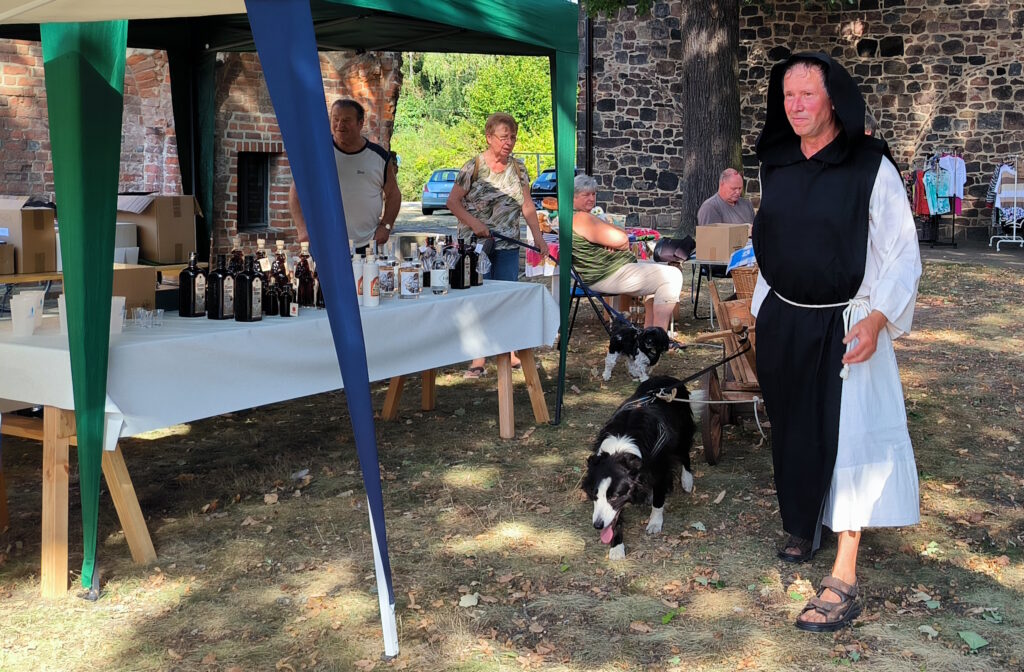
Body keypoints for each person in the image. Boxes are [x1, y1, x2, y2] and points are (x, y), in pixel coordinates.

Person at [750, 53, 922, 632]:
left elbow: (902, 254)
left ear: (833, 100)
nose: (796, 107)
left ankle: (843, 575)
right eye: (788, 96)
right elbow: (768, 244)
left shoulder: (869, 165)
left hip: (849, 320)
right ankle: (804, 522)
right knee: (795, 427)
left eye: (807, 95)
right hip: (786, 318)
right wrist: (760, 315)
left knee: (849, 438)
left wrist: (877, 321)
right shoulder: (774, 163)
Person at [446, 112, 549, 378]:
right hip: (476, 245)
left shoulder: (519, 168)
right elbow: (453, 202)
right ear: (489, 137)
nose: (509, 142)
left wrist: (538, 239)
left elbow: (527, 205)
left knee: (508, 298)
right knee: (479, 298)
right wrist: (474, 224)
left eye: (513, 137)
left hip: (508, 244)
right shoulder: (474, 167)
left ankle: (511, 352)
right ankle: (477, 359)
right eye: (504, 137)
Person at [288, 99, 401, 254]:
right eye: (335, 119)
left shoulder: (379, 157)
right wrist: (302, 229)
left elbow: (394, 194)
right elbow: (296, 191)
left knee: (366, 279)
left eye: (347, 120)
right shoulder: (316, 152)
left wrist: (386, 226)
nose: (340, 125)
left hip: (367, 243)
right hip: (324, 243)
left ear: (360, 123)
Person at [572, 174, 682, 331]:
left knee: (656, 266)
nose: (591, 198)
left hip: (608, 271)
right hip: (607, 274)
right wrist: (616, 240)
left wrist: (613, 237)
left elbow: (620, 235)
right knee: (672, 276)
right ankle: (659, 335)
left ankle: (649, 333)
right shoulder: (582, 218)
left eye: (593, 194)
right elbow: (623, 239)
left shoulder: (581, 217)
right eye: (585, 195)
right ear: (574, 197)